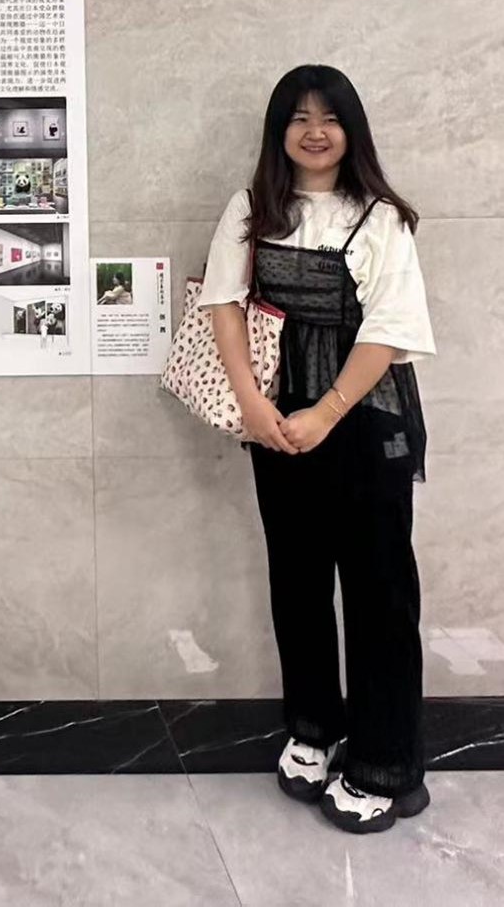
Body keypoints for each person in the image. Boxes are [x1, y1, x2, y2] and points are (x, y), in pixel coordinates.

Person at [200, 65, 434, 835]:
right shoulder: (251, 207)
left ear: (350, 129)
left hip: (365, 423)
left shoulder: (381, 217)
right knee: (296, 583)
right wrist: (253, 405)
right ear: (279, 131)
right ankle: (313, 729)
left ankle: (383, 763)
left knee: (379, 595)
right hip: (276, 420)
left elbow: (390, 331)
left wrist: (326, 414)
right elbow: (224, 303)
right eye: (298, 117)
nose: (314, 130)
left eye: (328, 117)